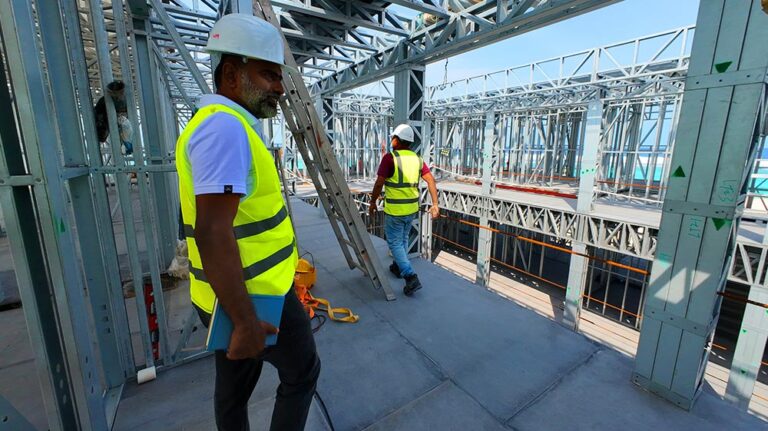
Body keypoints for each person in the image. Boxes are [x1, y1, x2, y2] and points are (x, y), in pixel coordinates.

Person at [175, 14, 320, 431]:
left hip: (228, 295)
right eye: (268, 75)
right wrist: (244, 321)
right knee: (303, 372)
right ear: (231, 75)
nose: (279, 87)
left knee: (234, 389)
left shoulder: (221, 126)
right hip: (255, 298)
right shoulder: (225, 129)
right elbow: (212, 230)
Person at [369, 124, 439, 296]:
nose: (391, 139)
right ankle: (398, 266)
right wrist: (435, 204)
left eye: (393, 137)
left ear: (397, 140)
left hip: (395, 211)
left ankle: (410, 276)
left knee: (394, 242)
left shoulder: (389, 158)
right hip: (411, 210)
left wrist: (372, 202)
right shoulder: (417, 159)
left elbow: (379, 183)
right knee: (403, 239)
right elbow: (431, 181)